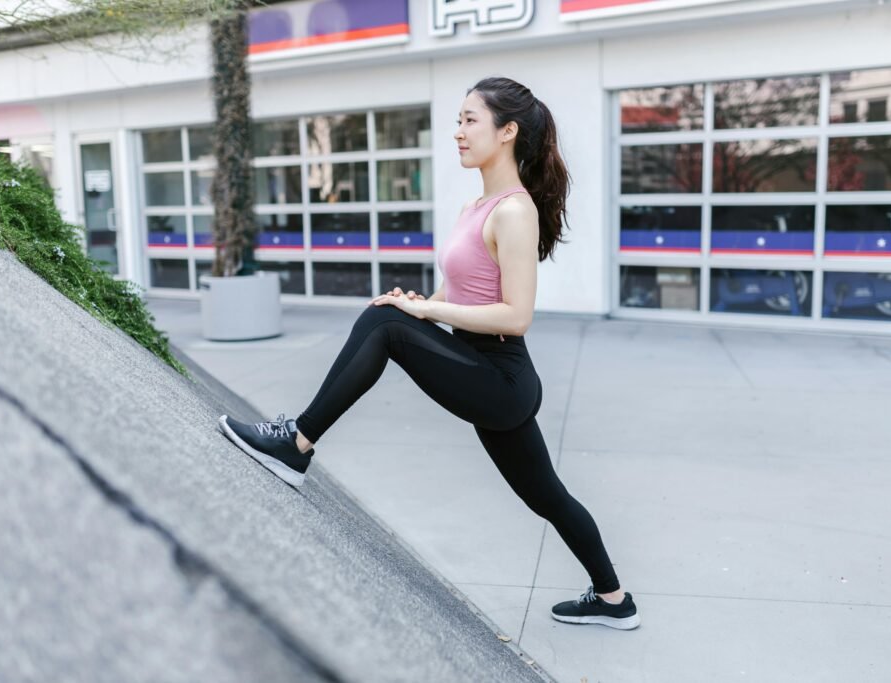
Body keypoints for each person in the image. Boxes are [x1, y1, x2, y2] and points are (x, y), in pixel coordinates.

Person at [219, 77, 639, 631]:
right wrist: (423, 303)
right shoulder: (477, 204)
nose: (458, 132)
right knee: (549, 497)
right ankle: (615, 600)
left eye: (471, 120)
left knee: (385, 324)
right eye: (458, 120)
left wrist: (421, 316)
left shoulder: (515, 211)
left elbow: (516, 315)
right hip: (480, 367)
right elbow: (461, 291)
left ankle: (297, 442)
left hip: (501, 376)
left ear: (507, 131)